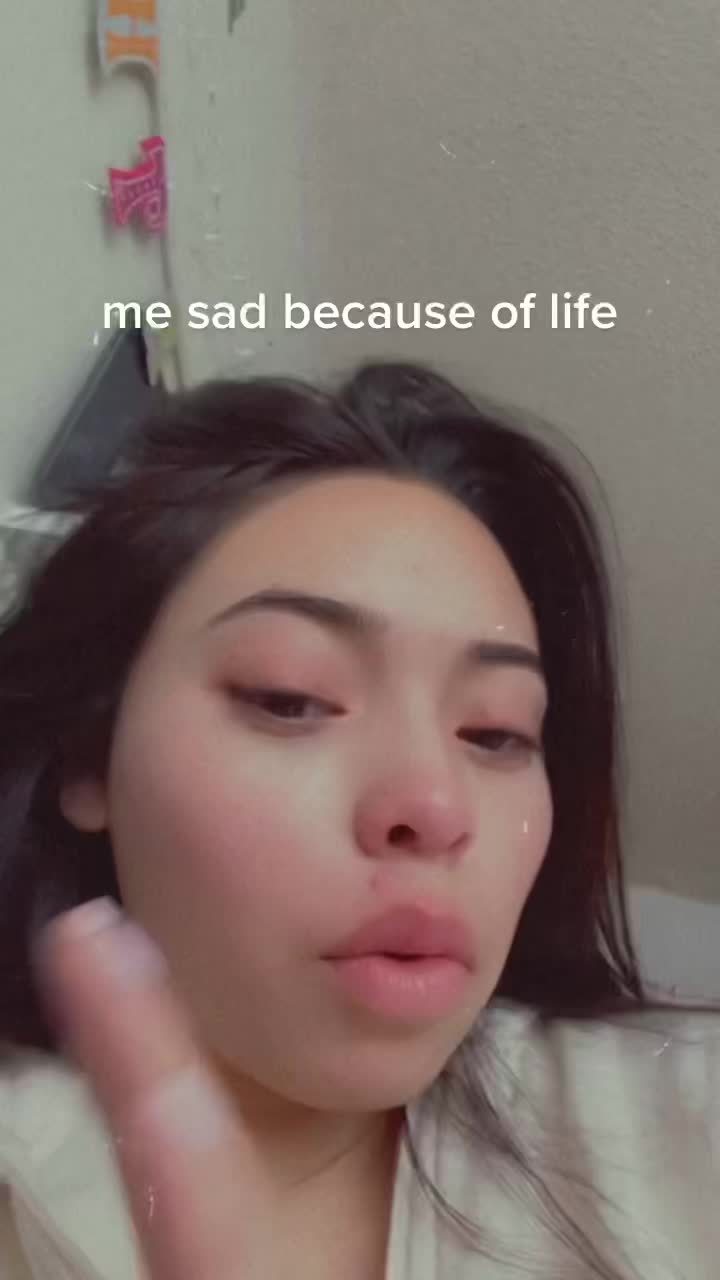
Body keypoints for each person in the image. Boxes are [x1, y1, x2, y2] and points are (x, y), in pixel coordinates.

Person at [0, 360, 717, 1280]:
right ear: (89, 755)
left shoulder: (683, 1125)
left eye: (496, 733)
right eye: (290, 698)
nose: (435, 807)